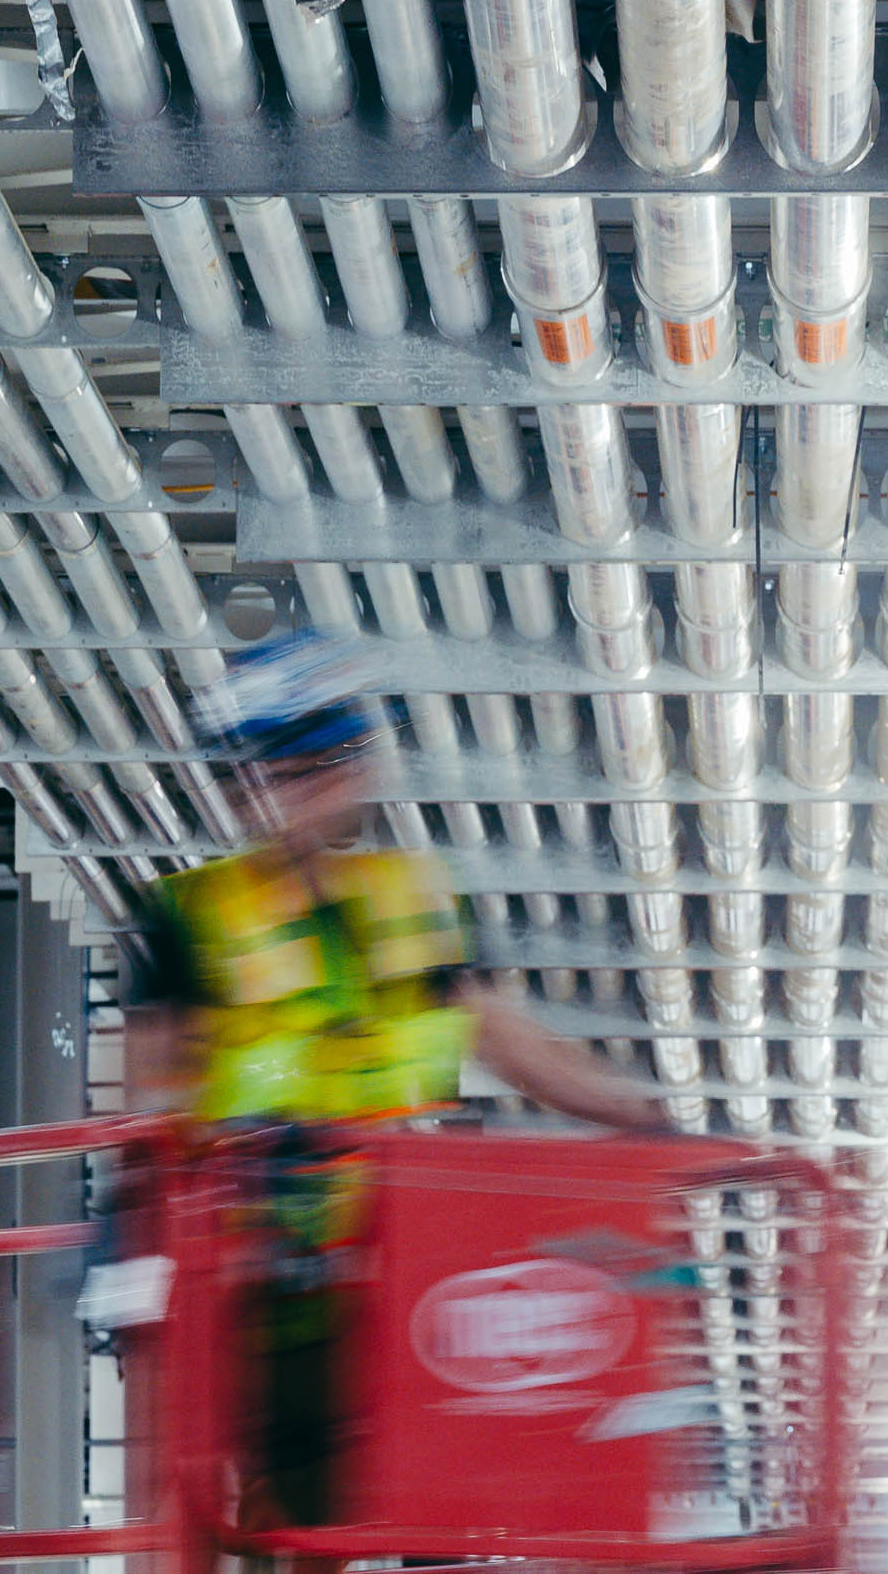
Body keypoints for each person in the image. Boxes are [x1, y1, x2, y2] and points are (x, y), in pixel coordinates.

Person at [115, 628, 666, 1524]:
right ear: (243, 783)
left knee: (435, 1508)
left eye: (341, 756)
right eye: (297, 766)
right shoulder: (187, 917)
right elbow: (153, 1102)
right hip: (260, 1287)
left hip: (406, 1274)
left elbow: (506, 1038)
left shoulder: (411, 898)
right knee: (277, 1516)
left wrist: (644, 1118)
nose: (325, 782)